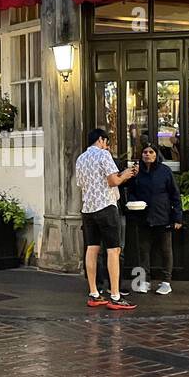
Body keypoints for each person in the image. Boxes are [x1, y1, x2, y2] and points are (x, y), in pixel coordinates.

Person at [76, 128, 139, 310]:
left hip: (88, 208)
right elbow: (113, 181)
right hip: (105, 206)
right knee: (113, 250)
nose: (107, 145)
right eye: (107, 141)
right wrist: (125, 174)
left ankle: (94, 293)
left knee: (92, 248)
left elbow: (81, 184)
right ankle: (115, 295)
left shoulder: (81, 159)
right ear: (101, 140)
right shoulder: (104, 155)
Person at [123, 143, 184, 295]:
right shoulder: (138, 173)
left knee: (166, 250)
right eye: (145, 152)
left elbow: (175, 195)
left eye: (151, 152)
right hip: (143, 217)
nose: (147, 155)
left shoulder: (165, 171)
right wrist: (132, 202)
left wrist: (177, 217)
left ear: (156, 155)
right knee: (143, 250)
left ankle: (166, 282)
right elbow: (131, 191)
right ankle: (144, 281)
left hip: (163, 216)